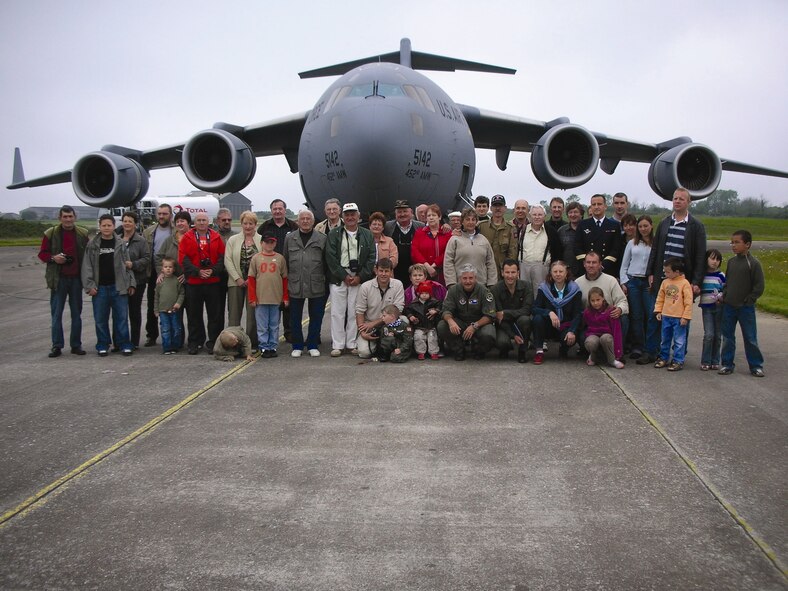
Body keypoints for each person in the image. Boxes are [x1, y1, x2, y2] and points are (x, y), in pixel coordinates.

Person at [39, 205, 90, 357]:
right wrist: (54, 258)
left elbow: (88, 255)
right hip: (58, 279)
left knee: (76, 313)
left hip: (75, 279)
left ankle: (76, 345)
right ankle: (57, 345)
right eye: (65, 217)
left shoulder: (82, 233)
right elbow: (42, 254)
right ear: (60, 218)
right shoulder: (50, 233)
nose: (68, 219)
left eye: (70, 216)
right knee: (56, 314)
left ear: (75, 217)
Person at [82, 214, 136, 356]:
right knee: (100, 319)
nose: (106, 228)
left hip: (118, 286)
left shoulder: (120, 243)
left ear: (113, 226)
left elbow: (127, 264)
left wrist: (131, 283)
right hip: (100, 288)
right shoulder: (92, 245)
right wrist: (89, 285)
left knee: (122, 318)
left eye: (109, 225)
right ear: (99, 227)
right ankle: (103, 344)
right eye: (104, 225)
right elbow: (87, 266)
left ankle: (124, 343)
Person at [326, 203, 376, 356]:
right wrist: (344, 276)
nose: (350, 217)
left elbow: (371, 258)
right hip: (339, 277)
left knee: (355, 311)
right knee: (337, 311)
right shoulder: (334, 234)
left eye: (353, 214)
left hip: (358, 276)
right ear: (343, 216)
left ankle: (351, 343)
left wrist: (360, 277)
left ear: (358, 216)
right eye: (347, 214)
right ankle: (338, 345)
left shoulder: (367, 234)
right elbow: (331, 257)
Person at [718, 231, 765, 377]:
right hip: (729, 307)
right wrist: (724, 295)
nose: (733, 245)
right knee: (727, 337)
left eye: (737, 242)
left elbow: (759, 286)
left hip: (745, 308)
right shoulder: (731, 262)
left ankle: (756, 365)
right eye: (732, 242)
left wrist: (749, 300)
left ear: (748, 244)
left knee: (750, 338)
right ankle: (727, 364)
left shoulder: (754, 264)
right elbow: (728, 282)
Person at [179, 211, 226, 355]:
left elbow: (222, 258)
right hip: (194, 282)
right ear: (194, 222)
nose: (201, 223)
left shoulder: (216, 237)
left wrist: (212, 271)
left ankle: (213, 341)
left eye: (204, 220)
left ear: (208, 222)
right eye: (198, 220)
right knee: (194, 315)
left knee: (214, 315)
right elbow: (183, 259)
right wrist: (198, 271)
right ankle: (195, 342)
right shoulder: (187, 238)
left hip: (213, 281)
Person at [647, 187, 707, 298]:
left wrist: (696, 281)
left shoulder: (697, 226)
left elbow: (700, 255)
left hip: (682, 279)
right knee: (659, 312)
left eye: (681, 199)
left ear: (689, 202)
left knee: (678, 313)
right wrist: (650, 272)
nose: (677, 201)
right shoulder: (664, 223)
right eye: (675, 198)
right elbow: (655, 249)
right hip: (662, 278)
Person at [283, 209, 327, 357]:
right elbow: (286, 260)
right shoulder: (290, 238)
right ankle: (297, 345)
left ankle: (312, 344)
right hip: (296, 283)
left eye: (308, 218)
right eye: (302, 218)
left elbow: (326, 262)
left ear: (313, 221)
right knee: (295, 316)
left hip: (316, 283)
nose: (306, 221)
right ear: (298, 221)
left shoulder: (322, 238)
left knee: (316, 316)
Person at [437, 264, 497, 360]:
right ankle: (459, 349)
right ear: (460, 278)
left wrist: (475, 326)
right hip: (460, 323)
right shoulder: (453, 290)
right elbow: (445, 310)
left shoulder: (484, 291)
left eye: (470, 278)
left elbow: (490, 315)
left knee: (489, 333)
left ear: (475, 278)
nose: (468, 281)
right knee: (442, 326)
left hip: (479, 324)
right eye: (464, 278)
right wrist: (450, 321)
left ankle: (478, 350)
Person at [621, 215, 658, 363]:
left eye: (645, 226)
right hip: (634, 281)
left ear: (651, 226)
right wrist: (624, 281)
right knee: (636, 316)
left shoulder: (656, 244)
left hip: (648, 283)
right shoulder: (631, 243)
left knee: (650, 315)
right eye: (641, 226)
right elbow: (624, 265)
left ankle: (651, 348)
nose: (643, 229)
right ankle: (638, 346)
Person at [531, 260, 582, 365]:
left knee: (570, 337)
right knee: (537, 319)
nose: (558, 274)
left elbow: (578, 313)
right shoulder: (544, 288)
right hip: (549, 326)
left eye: (561, 271)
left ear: (566, 273)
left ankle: (563, 348)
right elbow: (534, 308)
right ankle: (539, 351)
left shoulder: (574, 290)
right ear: (551, 273)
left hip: (565, 326)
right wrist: (549, 312)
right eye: (555, 272)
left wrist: (572, 331)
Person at [576, 250, 629, 351]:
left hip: (608, 322)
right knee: (584, 341)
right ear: (584, 264)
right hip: (590, 324)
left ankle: (617, 350)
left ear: (600, 264)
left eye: (594, 262)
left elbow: (623, 301)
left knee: (624, 318)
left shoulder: (611, 280)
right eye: (588, 262)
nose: (591, 265)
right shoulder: (577, 283)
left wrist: (620, 309)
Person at [247, 232, 288, 358]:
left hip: (275, 298)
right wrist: (252, 298)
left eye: (272, 242)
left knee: (274, 324)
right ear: (261, 243)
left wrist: (285, 297)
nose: (269, 245)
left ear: (275, 243)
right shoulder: (256, 258)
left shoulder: (280, 258)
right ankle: (264, 346)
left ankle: (273, 346)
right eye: (267, 242)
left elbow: (285, 279)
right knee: (262, 325)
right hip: (261, 298)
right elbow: (251, 279)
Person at [354, 258, 405, 359]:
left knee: (404, 320)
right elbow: (359, 311)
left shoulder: (398, 285)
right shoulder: (365, 287)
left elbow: (397, 310)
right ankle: (372, 344)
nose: (383, 274)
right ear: (376, 271)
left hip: (390, 324)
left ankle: (397, 346)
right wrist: (363, 332)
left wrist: (375, 323)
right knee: (364, 353)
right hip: (370, 325)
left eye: (386, 271)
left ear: (391, 272)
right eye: (381, 271)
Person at [224, 211, 261, 348]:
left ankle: (252, 342)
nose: (248, 226)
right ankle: (233, 341)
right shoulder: (233, 240)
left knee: (252, 315)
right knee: (234, 314)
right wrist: (237, 278)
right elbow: (228, 260)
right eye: (245, 223)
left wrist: (254, 280)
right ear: (241, 224)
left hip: (254, 283)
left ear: (255, 225)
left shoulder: (261, 240)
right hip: (235, 282)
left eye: (251, 223)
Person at [154, 210, 190, 347]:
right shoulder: (169, 240)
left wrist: (187, 274)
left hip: (189, 281)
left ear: (188, 223)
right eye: (178, 221)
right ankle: (176, 342)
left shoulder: (193, 238)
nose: (180, 224)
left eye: (183, 221)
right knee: (175, 315)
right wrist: (161, 272)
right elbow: (158, 257)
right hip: (171, 283)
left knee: (192, 314)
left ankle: (193, 341)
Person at [654, 257, 693, 371]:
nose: (665, 273)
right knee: (665, 339)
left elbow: (688, 301)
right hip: (666, 315)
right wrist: (658, 310)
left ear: (677, 272)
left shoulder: (684, 283)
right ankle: (663, 358)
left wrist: (686, 316)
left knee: (679, 340)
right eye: (665, 271)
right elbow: (660, 297)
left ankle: (678, 360)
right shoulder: (665, 282)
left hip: (679, 317)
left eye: (668, 272)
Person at [491, 259, 533, 363]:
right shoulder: (495, 289)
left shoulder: (527, 286)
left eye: (513, 272)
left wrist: (506, 313)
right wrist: (513, 335)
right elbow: (498, 316)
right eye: (507, 272)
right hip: (504, 324)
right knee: (502, 343)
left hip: (520, 321)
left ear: (518, 273)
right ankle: (505, 349)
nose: (510, 276)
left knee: (525, 320)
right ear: (502, 273)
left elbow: (527, 310)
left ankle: (523, 351)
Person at [443, 208, 497, 288]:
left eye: (473, 219)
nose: (470, 222)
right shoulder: (454, 240)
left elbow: (490, 262)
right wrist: (451, 283)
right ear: (462, 222)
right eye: (467, 219)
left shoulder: (483, 240)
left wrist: (491, 283)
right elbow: (448, 263)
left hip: (481, 285)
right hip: (460, 286)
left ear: (476, 221)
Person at [119, 211, 150, 350]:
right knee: (120, 312)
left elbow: (147, 258)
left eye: (130, 221)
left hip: (138, 280)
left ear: (135, 224)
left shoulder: (141, 240)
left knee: (134, 311)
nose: (127, 223)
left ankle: (135, 341)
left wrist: (134, 264)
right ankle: (120, 340)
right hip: (120, 281)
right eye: (125, 221)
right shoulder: (117, 239)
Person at [143, 203, 173, 347]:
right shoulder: (149, 232)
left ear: (170, 215)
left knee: (175, 305)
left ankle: (174, 335)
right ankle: (151, 335)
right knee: (152, 304)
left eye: (164, 214)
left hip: (172, 271)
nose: (161, 216)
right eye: (159, 214)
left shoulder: (175, 231)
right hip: (154, 272)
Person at [516, 204, 562, 297]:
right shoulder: (522, 230)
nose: (537, 217)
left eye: (540, 215)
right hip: (524, 266)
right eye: (534, 215)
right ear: (530, 216)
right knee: (524, 293)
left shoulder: (551, 231)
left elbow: (557, 252)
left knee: (540, 293)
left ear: (544, 216)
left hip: (542, 268)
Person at [573, 194, 623, 277]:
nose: (596, 207)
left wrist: (602, 265)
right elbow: (577, 247)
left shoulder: (614, 225)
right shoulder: (583, 224)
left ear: (605, 206)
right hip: (587, 270)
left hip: (607, 270)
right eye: (594, 204)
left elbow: (616, 249)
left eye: (599, 204)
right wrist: (589, 264)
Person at [384, 199, 425, 287]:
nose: (402, 214)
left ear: (411, 212)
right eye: (399, 212)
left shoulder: (420, 226)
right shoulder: (387, 227)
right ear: (395, 214)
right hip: (395, 270)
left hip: (415, 270)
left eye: (405, 211)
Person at [582, 286, 624, 369]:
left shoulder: (610, 311)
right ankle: (593, 357)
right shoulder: (587, 312)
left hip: (607, 335)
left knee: (605, 338)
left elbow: (616, 330)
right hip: (593, 334)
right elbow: (584, 326)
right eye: (592, 301)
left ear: (603, 298)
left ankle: (612, 360)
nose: (595, 303)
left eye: (598, 300)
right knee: (590, 342)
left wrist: (618, 351)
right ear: (589, 301)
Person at [411, 204, 452, 285]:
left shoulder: (447, 233)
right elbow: (414, 251)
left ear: (439, 217)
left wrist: (434, 265)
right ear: (426, 218)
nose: (431, 217)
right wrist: (427, 266)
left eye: (434, 215)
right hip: (422, 272)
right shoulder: (419, 233)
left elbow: (448, 251)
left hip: (441, 272)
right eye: (429, 215)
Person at [477, 194, 516, 281]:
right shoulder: (481, 226)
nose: (498, 208)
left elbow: (512, 252)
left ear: (505, 208)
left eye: (500, 206)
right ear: (491, 208)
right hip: (484, 271)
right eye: (495, 206)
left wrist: (508, 271)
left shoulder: (511, 228)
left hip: (502, 273)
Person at [699, 248, 725, 371]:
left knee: (718, 335)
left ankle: (715, 360)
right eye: (712, 258)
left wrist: (722, 297)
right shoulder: (702, 275)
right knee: (709, 334)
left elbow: (726, 289)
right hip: (707, 308)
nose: (715, 262)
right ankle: (705, 360)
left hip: (719, 307)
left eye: (718, 260)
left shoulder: (721, 275)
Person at [153, 256, 185, 354]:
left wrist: (178, 303)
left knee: (176, 328)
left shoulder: (177, 281)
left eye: (170, 267)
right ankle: (167, 347)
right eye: (166, 267)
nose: (168, 269)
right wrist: (156, 310)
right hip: (163, 310)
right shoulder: (160, 282)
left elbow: (182, 293)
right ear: (162, 269)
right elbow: (156, 297)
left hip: (174, 310)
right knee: (165, 329)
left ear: (174, 269)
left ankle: (175, 346)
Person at [403, 280, 442, 360]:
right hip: (419, 326)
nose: (424, 295)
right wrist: (411, 316)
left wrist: (436, 311)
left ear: (430, 294)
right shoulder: (413, 304)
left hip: (431, 326)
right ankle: (421, 352)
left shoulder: (434, 302)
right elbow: (407, 310)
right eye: (422, 293)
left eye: (427, 293)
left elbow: (440, 307)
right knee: (418, 338)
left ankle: (434, 352)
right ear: (418, 293)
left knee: (432, 339)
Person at [558, 201, 584, 276]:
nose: (573, 215)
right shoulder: (561, 231)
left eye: (576, 212)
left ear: (581, 214)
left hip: (584, 270)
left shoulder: (587, 229)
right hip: (567, 271)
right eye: (570, 212)